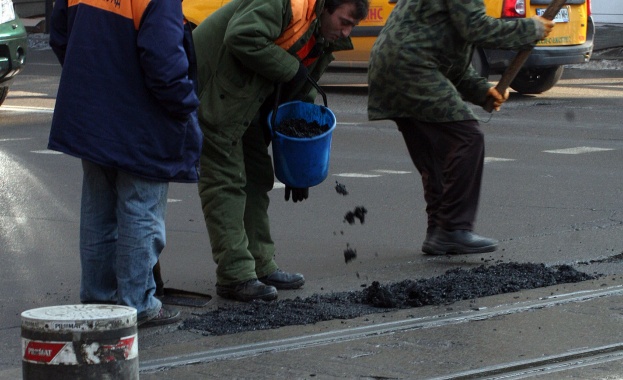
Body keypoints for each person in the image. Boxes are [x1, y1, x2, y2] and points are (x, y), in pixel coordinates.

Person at [192, 0, 369, 301]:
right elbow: (241, 36)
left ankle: (261, 265)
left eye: (352, 26)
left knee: (257, 176)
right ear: (327, 6)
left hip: (242, 98)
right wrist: (291, 69)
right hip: (212, 94)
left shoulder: (318, 35)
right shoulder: (283, 3)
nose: (346, 31)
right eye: (345, 21)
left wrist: (296, 167)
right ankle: (235, 275)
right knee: (226, 181)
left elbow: (299, 91)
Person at [49, 0, 201, 326]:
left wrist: (92, 82)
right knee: (140, 208)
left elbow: (60, 35)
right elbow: (163, 60)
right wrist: (186, 105)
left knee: (98, 210)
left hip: (92, 113)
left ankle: (99, 299)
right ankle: (137, 304)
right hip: (139, 119)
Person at [367, 1, 554, 255]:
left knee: (436, 152)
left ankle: (438, 231)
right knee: (466, 137)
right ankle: (453, 229)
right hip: (412, 66)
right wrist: (530, 29)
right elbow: (476, 28)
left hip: (394, 65)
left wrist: (480, 90)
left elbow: (446, 48)